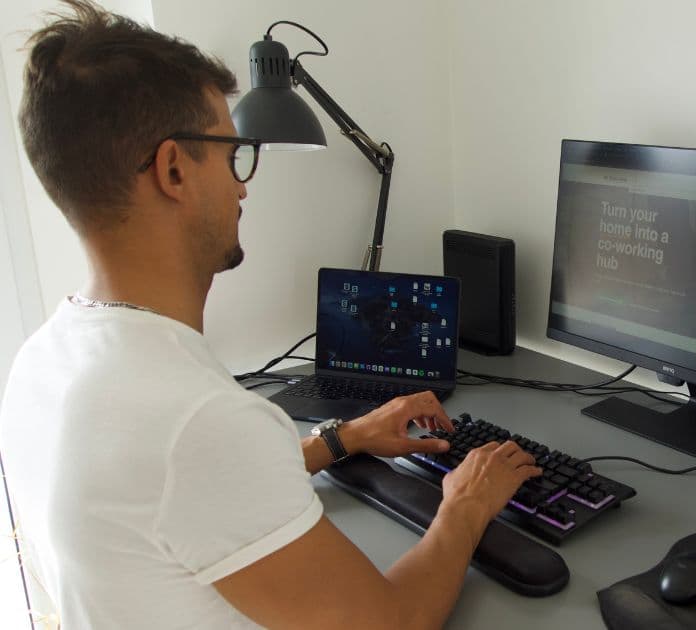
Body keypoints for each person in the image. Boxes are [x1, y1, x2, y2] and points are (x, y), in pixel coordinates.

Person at [0, 1, 541, 628]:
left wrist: (343, 439)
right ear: (174, 169)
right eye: (233, 154)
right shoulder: (195, 421)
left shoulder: (42, 359)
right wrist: (465, 506)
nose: (243, 186)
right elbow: (393, 622)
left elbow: (184, 499)